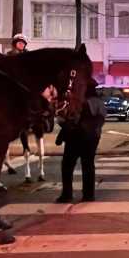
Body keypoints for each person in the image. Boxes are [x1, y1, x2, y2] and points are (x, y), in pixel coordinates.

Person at [55, 75, 106, 204]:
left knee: (67, 166)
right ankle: (88, 195)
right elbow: (102, 119)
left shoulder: (74, 102)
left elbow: (61, 119)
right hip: (91, 138)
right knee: (88, 166)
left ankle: (67, 194)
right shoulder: (98, 102)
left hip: (74, 138)